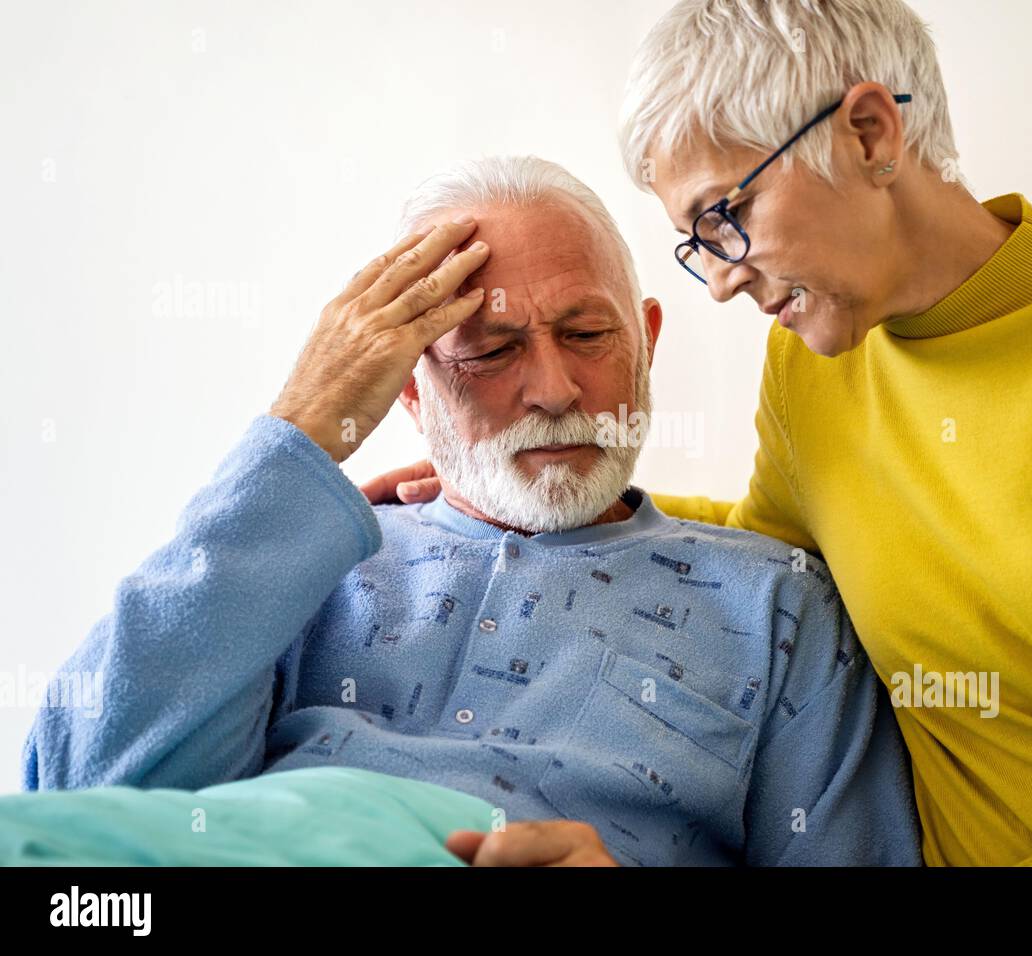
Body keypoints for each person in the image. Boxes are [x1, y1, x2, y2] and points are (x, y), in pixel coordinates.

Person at [367, 0, 1032, 866]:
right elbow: (774, 549)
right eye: (698, 247)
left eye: (723, 217)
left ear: (870, 133)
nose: (722, 280)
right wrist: (522, 483)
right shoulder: (815, 363)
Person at [23, 156, 921, 868]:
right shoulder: (301, 566)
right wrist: (300, 438)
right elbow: (75, 814)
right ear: (406, 390)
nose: (555, 388)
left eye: (587, 334)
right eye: (490, 350)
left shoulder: (774, 605)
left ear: (646, 340)